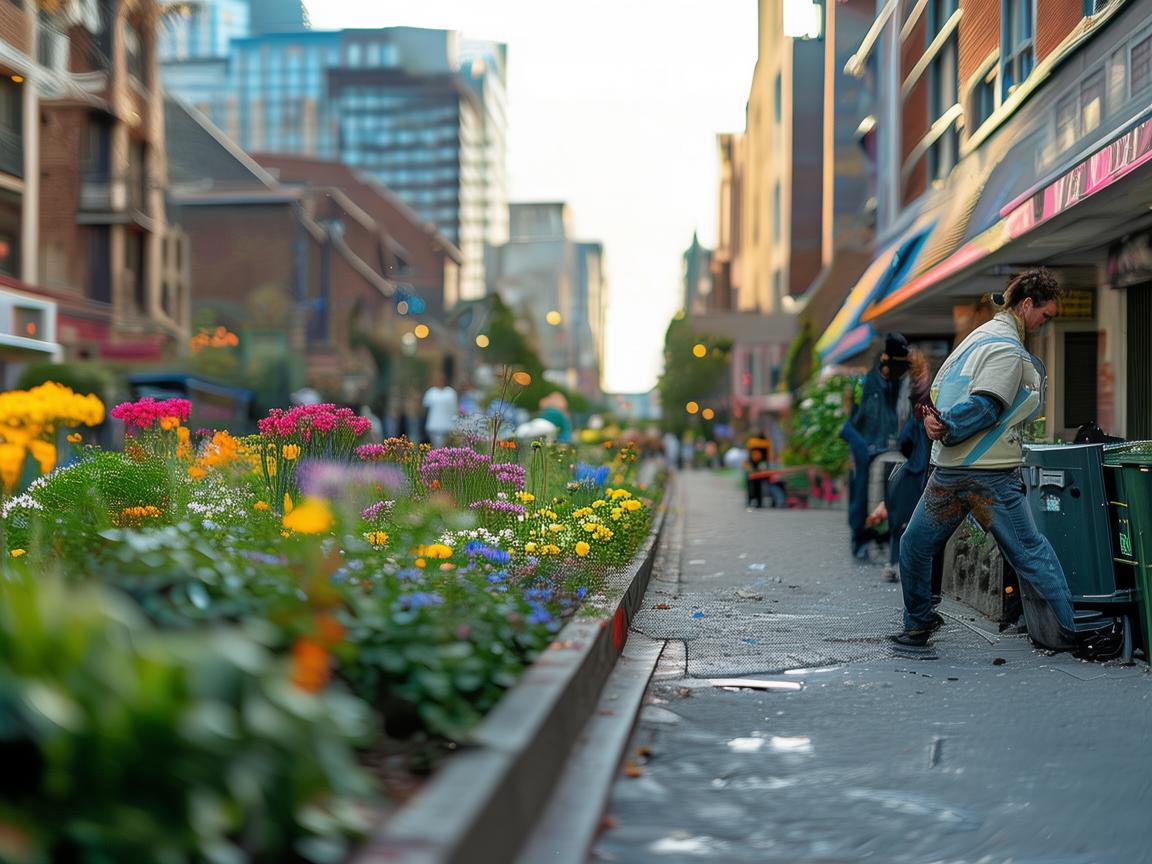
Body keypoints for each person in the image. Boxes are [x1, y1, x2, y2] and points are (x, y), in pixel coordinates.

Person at [890, 268, 1076, 650]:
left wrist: (939, 425)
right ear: (1027, 305)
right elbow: (988, 404)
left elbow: (953, 396)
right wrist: (948, 426)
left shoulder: (978, 339)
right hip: (989, 475)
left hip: (951, 471)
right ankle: (1068, 632)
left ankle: (917, 625)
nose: (1044, 323)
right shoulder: (1006, 349)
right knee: (1030, 553)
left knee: (914, 545)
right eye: (1045, 314)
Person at [840, 333, 911, 560]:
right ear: (884, 360)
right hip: (865, 452)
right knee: (860, 497)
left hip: (888, 450)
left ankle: (881, 536)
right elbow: (847, 424)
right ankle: (859, 539)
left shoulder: (897, 386)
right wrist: (861, 448)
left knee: (890, 497)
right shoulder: (862, 384)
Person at [422, 375, 459, 448]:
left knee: (446, 448)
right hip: (434, 426)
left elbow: (455, 409)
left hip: (448, 427)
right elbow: (425, 408)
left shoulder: (451, 392)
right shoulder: (431, 392)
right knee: (437, 447)